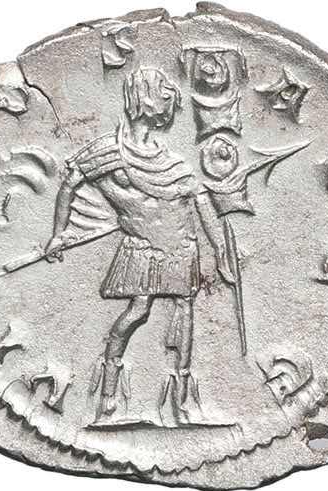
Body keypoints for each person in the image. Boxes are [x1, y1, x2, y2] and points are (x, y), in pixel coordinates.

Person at [45, 68, 235, 423]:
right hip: (143, 245)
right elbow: (70, 183)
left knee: (184, 310)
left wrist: (221, 248)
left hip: (181, 245)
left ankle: (182, 403)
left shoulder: (171, 160)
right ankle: (107, 399)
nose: (170, 101)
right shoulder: (108, 151)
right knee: (139, 311)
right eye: (163, 92)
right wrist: (58, 233)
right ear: (144, 97)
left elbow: (201, 201)